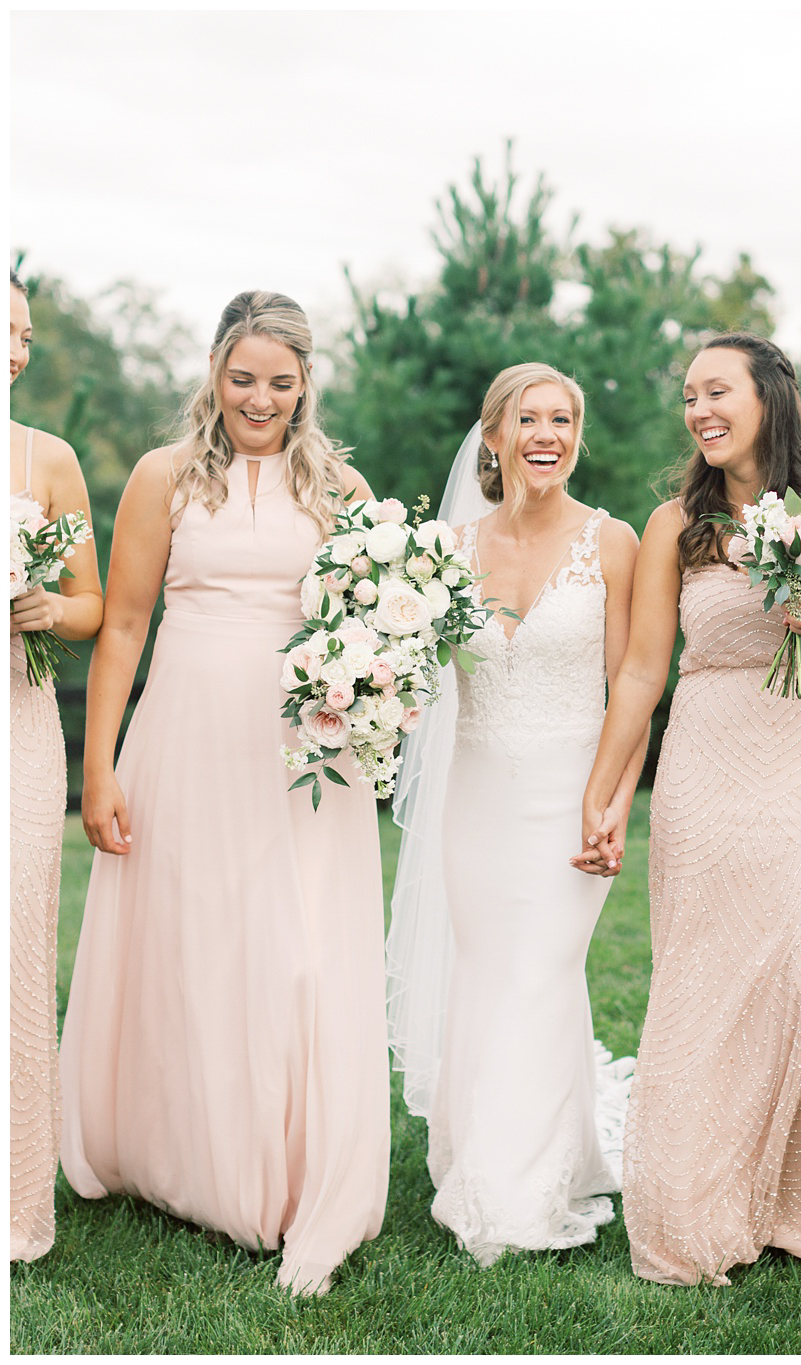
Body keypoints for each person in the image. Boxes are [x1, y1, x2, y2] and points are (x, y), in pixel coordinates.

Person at [60, 290, 389, 1296]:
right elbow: (124, 625)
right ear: (214, 371)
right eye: (242, 378)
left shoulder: (341, 486)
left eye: (279, 382)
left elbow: (380, 623)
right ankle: (190, 1160)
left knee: (298, 951)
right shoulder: (163, 476)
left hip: (303, 753)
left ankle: (290, 1171)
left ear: (306, 382)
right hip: (187, 737)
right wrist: (98, 766)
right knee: (196, 939)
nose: (259, 399)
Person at [581, 332, 801, 1285]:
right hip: (709, 760)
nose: (699, 411)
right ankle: (695, 1201)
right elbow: (643, 670)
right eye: (689, 396)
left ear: (769, 396)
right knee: (707, 980)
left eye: (715, 391)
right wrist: (605, 788)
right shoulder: (674, 523)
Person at [386, 362, 642, 1267]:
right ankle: (502, 1149)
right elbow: (408, 673)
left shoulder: (613, 542)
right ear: (494, 437)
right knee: (493, 972)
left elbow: (633, 685)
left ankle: (512, 1194)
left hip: (573, 794)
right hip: (477, 798)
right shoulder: (445, 551)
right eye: (529, 419)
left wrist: (613, 803)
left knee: (541, 969)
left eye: (562, 419)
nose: (547, 435)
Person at [9, 269, 104, 1263]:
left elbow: (92, 603)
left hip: (18, 721)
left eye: (26, 333)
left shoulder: (50, 459)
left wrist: (50, 609)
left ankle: (12, 1189)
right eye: (4, 329)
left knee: (15, 936)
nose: (17, 349)